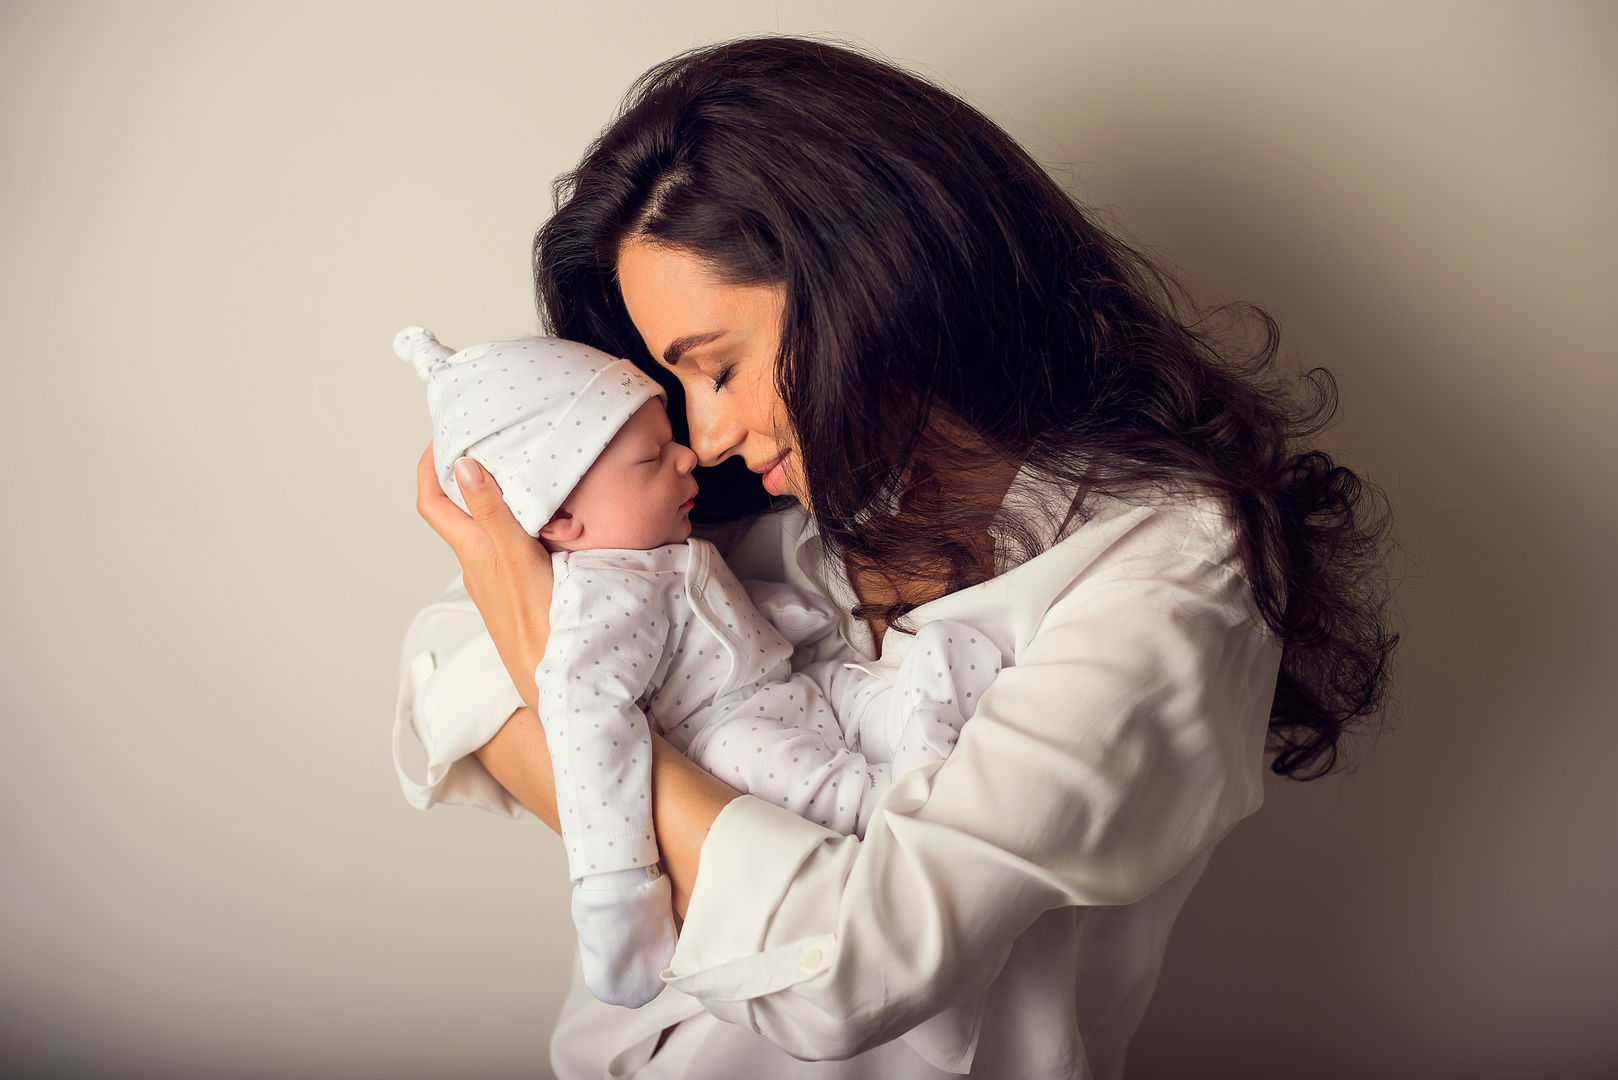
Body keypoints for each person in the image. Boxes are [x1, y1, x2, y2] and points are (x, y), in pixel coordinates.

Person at [408, 36, 1397, 1080]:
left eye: (721, 365)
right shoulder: (765, 506)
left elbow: (854, 969)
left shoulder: (1165, 569)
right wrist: (562, 688)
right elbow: (438, 658)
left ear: (869, 275)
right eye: (677, 383)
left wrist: (562, 692)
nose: (700, 434)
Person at [393, 326, 998, 1010]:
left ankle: (917, 726)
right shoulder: (600, 600)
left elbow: (708, 615)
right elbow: (592, 741)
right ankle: (892, 799)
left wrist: (791, 618)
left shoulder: (659, 549)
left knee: (878, 687)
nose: (690, 454)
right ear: (559, 513)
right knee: (787, 766)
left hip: (790, 687)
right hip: (727, 734)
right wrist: (618, 900)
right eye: (652, 457)